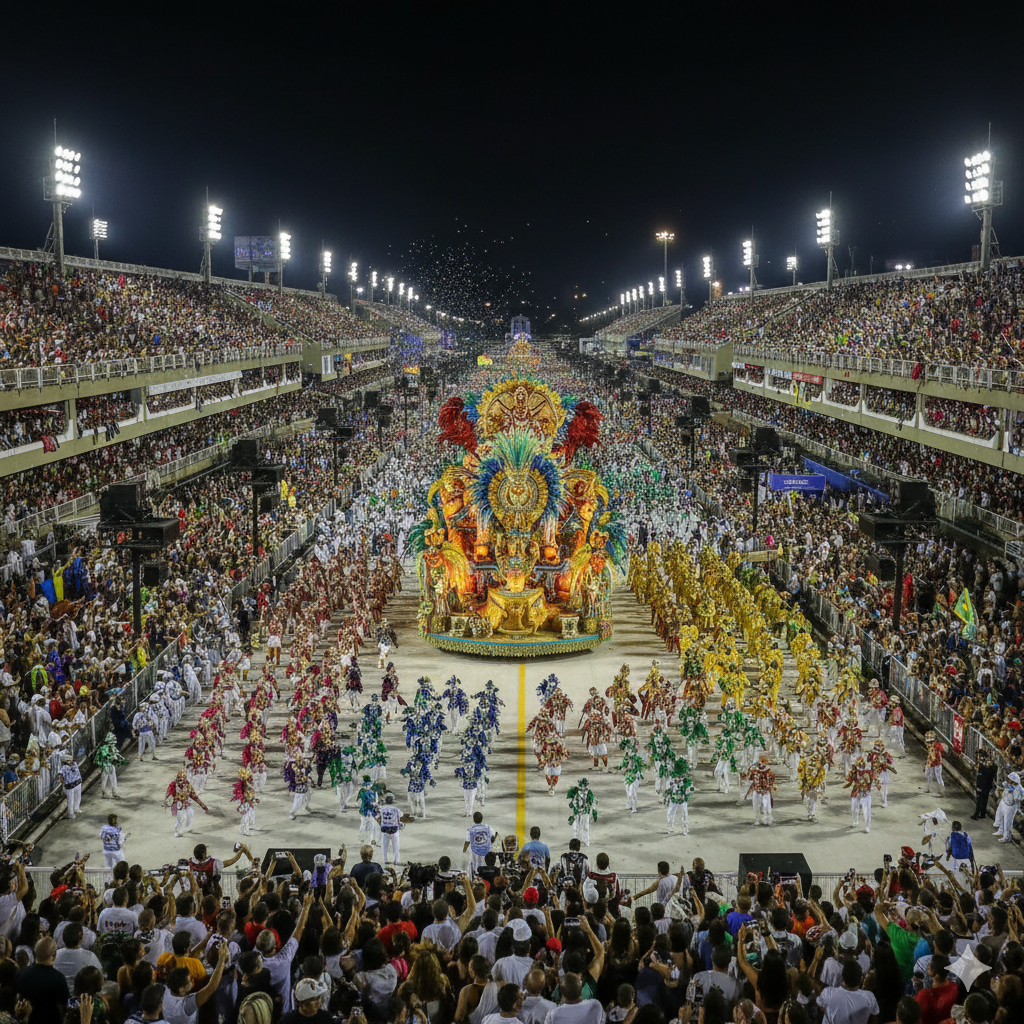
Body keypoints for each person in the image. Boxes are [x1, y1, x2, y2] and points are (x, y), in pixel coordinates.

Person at [162, 943, 230, 1024]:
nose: (192, 979)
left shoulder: (165, 991)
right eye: (189, 980)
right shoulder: (186, 1006)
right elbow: (211, 987)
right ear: (182, 990)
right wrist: (221, 960)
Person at [16, 937, 70, 1024]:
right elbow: (63, 1006)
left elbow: (18, 999)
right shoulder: (59, 978)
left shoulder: (21, 973)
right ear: (54, 955)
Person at [815, 959, 879, 1024]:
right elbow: (875, 1019)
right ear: (860, 979)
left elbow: (821, 1006)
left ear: (842, 977)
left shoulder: (828, 993)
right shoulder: (870, 998)